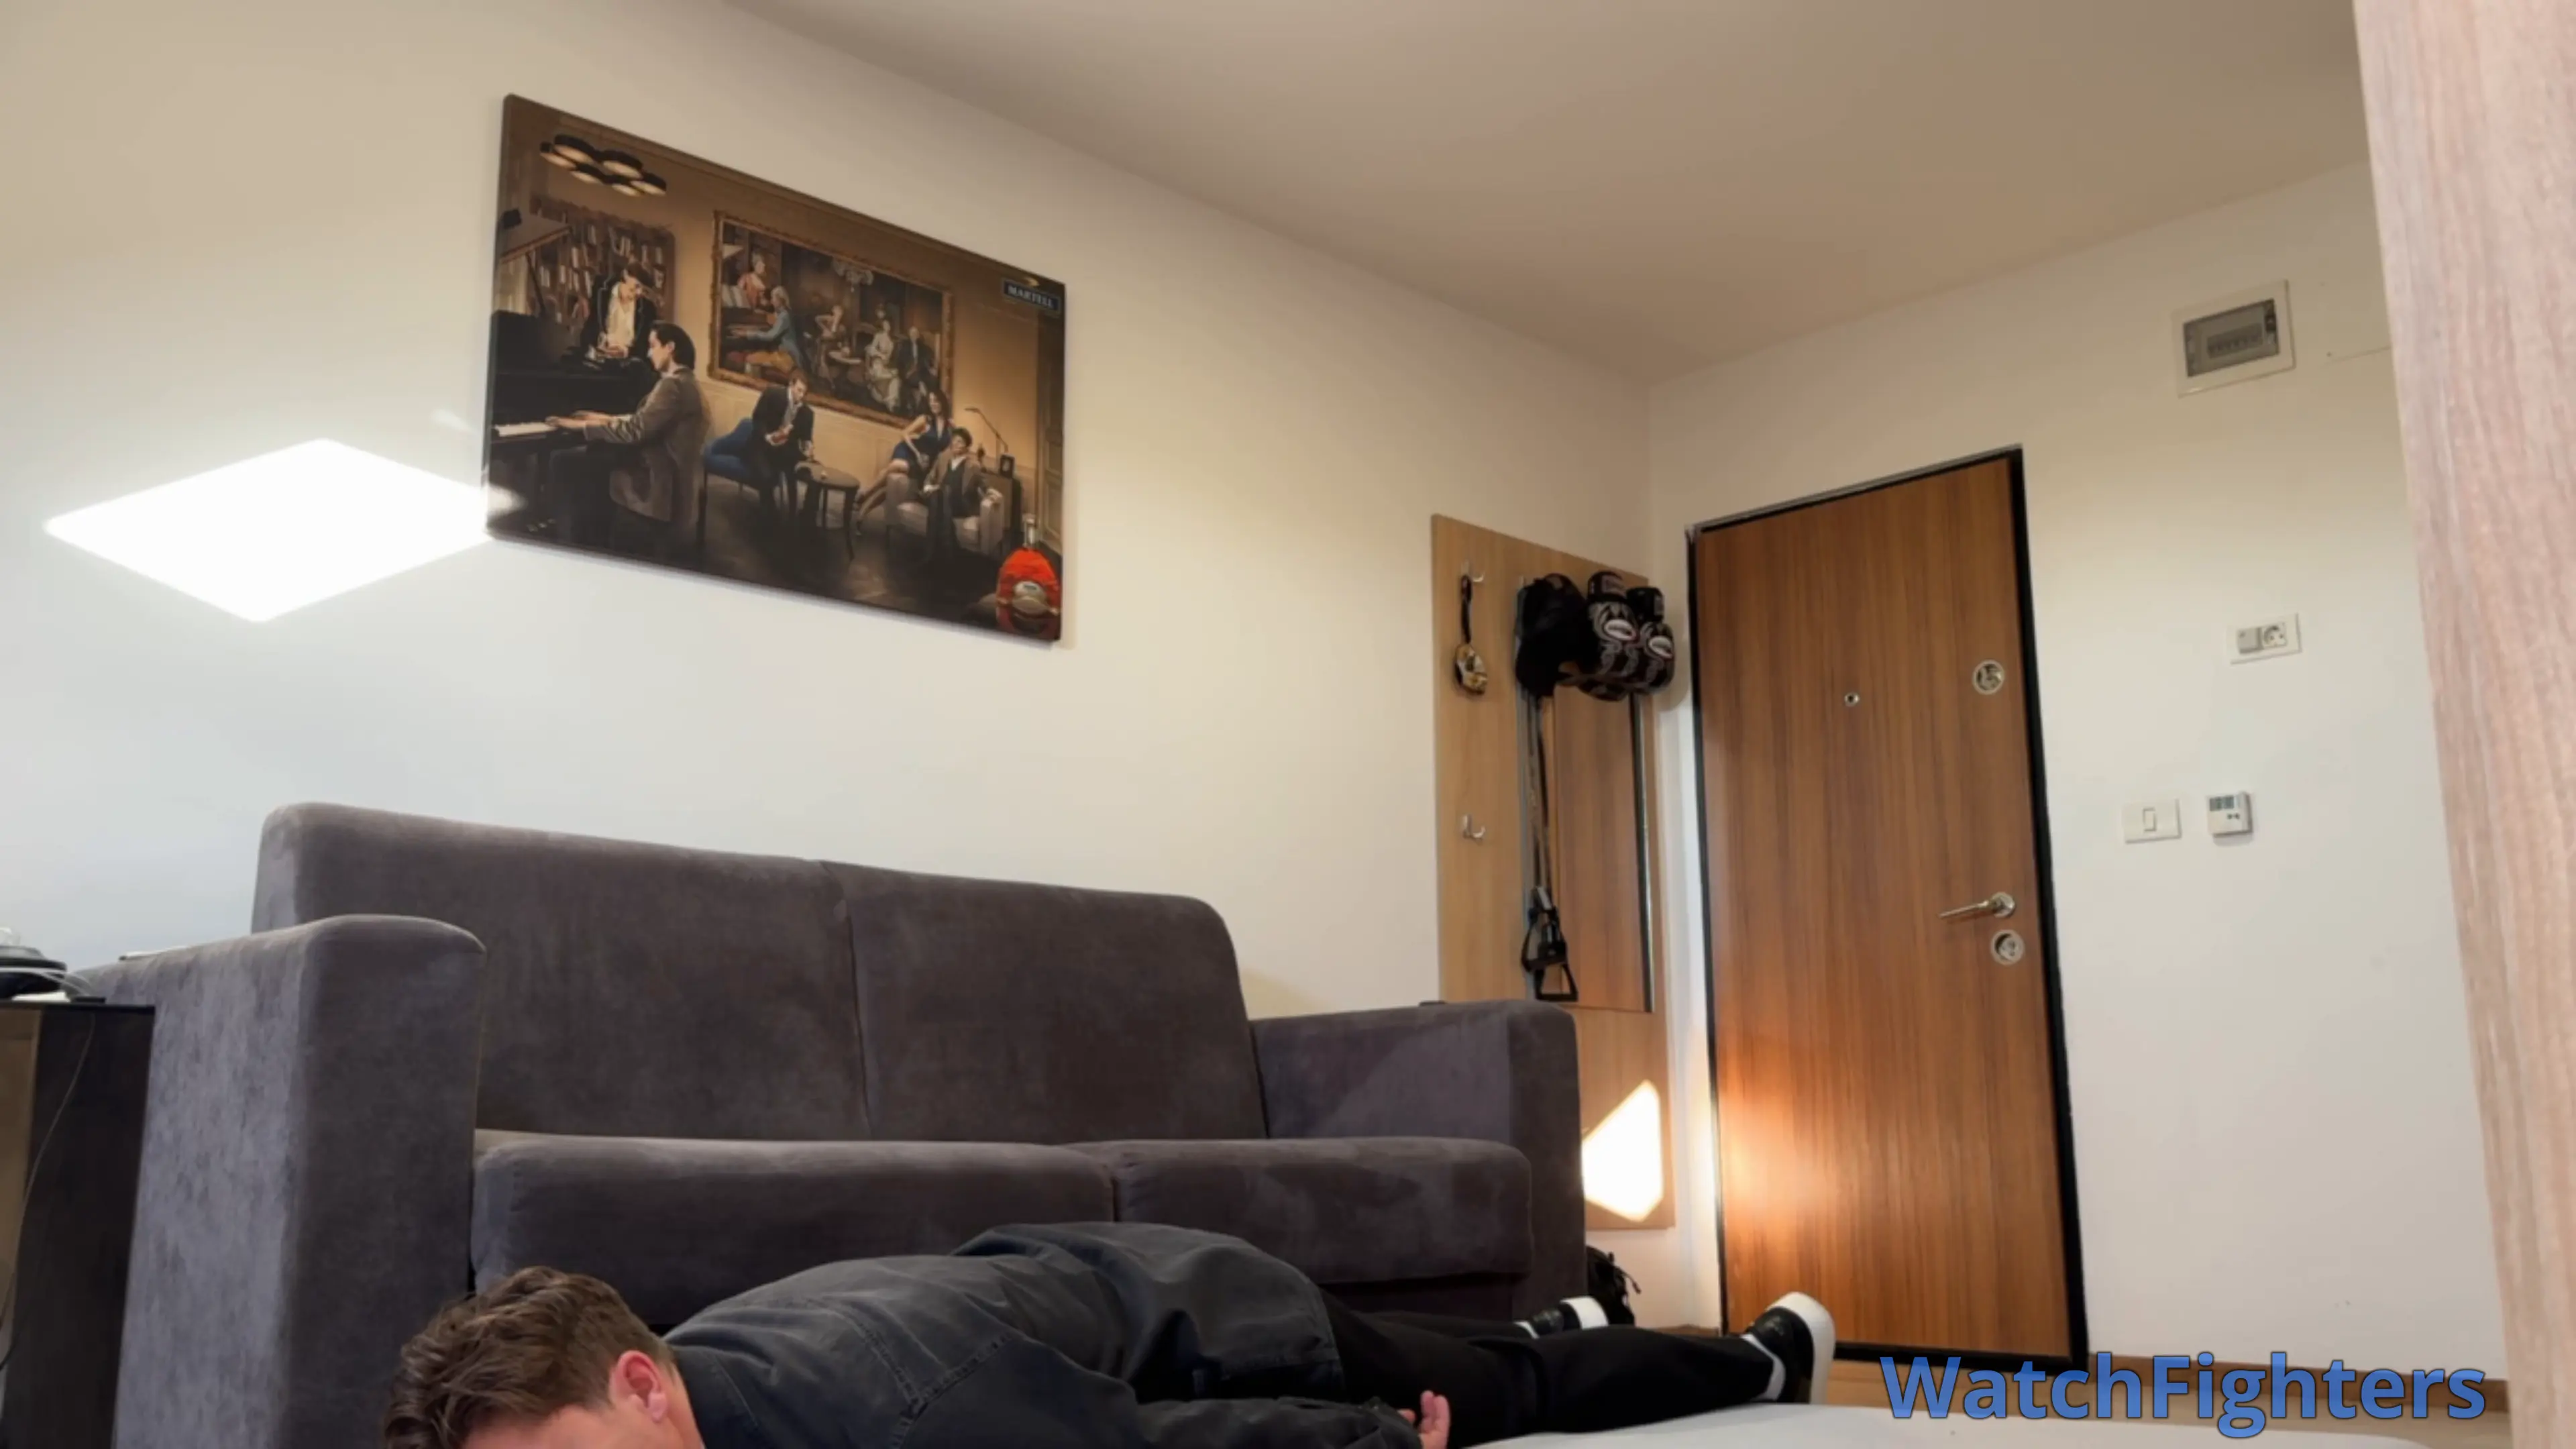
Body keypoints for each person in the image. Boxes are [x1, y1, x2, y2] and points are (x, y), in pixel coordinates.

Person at [383, 1222, 1833, 1449]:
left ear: (641, 1385)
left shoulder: (904, 1420)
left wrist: (1364, 1442)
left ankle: (1764, 1355)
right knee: (1447, 1347)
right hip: (1064, 1292)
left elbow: (1158, 1443)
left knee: (1493, 1395)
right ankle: (1545, 1313)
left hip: (1219, 1318)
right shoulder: (697, 1374)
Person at [544, 322, 708, 556]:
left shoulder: (671, 385)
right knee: (594, 458)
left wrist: (582, 426)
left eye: (653, 346)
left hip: (657, 477)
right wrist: (603, 418)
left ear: (670, 347)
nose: (649, 353)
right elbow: (645, 420)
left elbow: (635, 431)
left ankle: (569, 543)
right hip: (671, 472)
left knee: (563, 461)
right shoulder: (689, 384)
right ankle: (588, 534)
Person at [701, 369, 815, 517]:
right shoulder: (772, 394)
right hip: (760, 446)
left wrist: (808, 448)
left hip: (782, 454)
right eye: (799, 390)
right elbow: (757, 419)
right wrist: (767, 436)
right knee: (766, 476)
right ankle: (769, 513)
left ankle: (796, 515)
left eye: (804, 393)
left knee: (795, 474)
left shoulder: (807, 413)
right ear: (791, 385)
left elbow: (806, 438)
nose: (801, 396)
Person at [584, 264, 659, 364]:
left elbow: (645, 346)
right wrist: (600, 342)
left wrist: (626, 352)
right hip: (599, 361)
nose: (639, 292)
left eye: (643, 290)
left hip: (629, 366)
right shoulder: (600, 292)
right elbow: (589, 328)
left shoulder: (647, 308)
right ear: (625, 275)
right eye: (637, 286)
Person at [727, 294, 809, 378]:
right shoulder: (784, 313)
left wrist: (747, 333)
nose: (772, 301)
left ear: (781, 300)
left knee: (751, 359)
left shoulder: (784, 316)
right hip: (784, 353)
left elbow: (770, 336)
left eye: (774, 298)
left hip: (788, 356)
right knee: (753, 357)